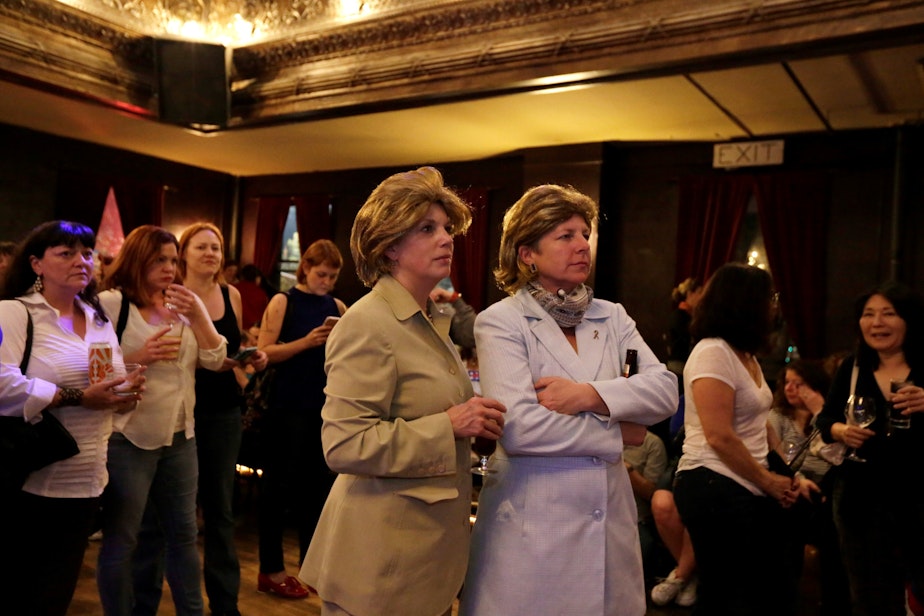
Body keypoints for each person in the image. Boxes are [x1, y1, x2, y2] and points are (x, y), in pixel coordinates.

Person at [459, 184, 678, 616]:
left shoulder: (612, 315)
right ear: (527, 254)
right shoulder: (501, 321)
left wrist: (588, 395)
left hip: (607, 524)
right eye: (565, 235)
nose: (582, 246)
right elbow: (520, 428)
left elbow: (665, 390)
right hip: (534, 524)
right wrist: (620, 431)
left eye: (584, 233)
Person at [299, 166, 507, 616]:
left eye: (447, 228)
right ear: (389, 245)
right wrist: (450, 425)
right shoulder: (367, 322)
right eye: (427, 229)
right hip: (379, 565)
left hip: (420, 559)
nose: (446, 238)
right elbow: (344, 445)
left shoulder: (431, 320)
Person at [0, 221, 138, 615]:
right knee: (21, 590)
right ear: (36, 264)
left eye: (87, 253)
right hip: (30, 478)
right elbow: (2, 382)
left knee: (56, 594)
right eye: (66, 253)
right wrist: (78, 397)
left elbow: (105, 382)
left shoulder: (97, 318)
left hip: (88, 479)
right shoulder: (14, 312)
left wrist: (124, 395)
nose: (81, 261)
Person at [96, 225, 227, 616]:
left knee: (185, 536)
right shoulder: (111, 303)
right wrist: (139, 355)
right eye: (160, 260)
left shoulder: (183, 305)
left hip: (180, 436)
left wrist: (199, 314)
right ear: (139, 260)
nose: (170, 268)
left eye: (173, 260)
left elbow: (216, 360)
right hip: (128, 437)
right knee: (123, 540)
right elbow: (96, 371)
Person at [673, 263, 801, 616]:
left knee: (761, 591)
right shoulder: (713, 351)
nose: (773, 305)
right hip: (712, 480)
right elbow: (719, 435)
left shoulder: (747, 355)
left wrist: (785, 473)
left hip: (747, 481)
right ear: (745, 302)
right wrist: (768, 482)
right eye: (769, 297)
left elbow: (761, 424)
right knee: (728, 595)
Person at [815, 281, 924, 616]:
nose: (877, 323)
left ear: (909, 320)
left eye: (888, 314)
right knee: (870, 593)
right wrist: (840, 430)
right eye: (868, 315)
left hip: (918, 495)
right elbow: (826, 418)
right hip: (861, 497)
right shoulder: (853, 367)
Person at [179, 223, 269, 616]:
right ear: (184, 253)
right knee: (178, 510)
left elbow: (232, 349)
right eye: (201, 247)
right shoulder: (173, 295)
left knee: (220, 508)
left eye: (216, 248)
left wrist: (253, 356)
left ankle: (225, 603)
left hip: (223, 410)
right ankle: (184, 599)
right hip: (181, 409)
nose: (211, 254)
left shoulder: (230, 294)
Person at [254, 239, 348, 600]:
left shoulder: (337, 306)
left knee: (317, 492)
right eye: (321, 273)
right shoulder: (284, 301)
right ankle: (271, 568)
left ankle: (313, 566)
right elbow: (264, 352)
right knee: (276, 490)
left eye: (333, 275)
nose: (326, 281)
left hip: (321, 408)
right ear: (305, 268)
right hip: (285, 405)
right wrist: (307, 342)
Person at [768, 359, 850, 616]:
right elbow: (779, 460)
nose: (791, 389)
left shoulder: (828, 416)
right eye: (787, 383)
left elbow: (832, 458)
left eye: (798, 383)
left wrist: (819, 411)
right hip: (790, 486)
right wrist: (798, 479)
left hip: (824, 486)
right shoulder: (778, 416)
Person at [623, 429, 669, 581]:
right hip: (595, 515)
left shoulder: (651, 444)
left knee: (641, 550)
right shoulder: (594, 437)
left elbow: (650, 493)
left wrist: (626, 469)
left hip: (635, 519)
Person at [666, 277, 703, 380]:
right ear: (689, 294)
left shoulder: (691, 316)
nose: (702, 297)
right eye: (699, 292)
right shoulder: (679, 316)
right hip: (678, 370)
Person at [234, 264, 269, 330]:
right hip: (254, 329)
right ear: (257, 278)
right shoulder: (261, 293)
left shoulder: (233, 289)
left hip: (235, 328)